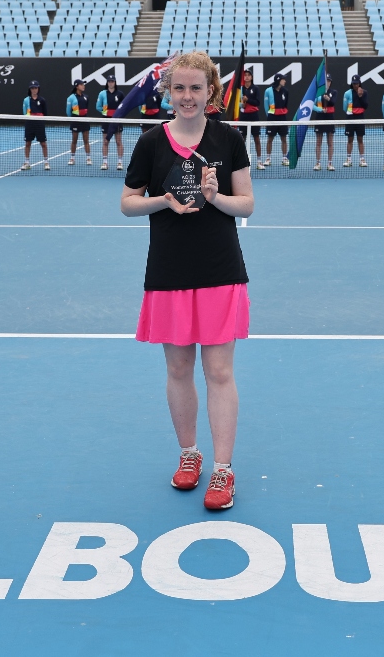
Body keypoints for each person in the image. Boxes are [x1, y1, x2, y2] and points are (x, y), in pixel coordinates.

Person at [120, 51, 255, 511]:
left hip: (219, 269)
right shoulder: (151, 143)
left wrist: (217, 199)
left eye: (196, 87)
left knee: (219, 371)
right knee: (178, 369)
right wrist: (164, 201)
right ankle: (189, 455)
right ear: (167, 92)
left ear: (211, 91)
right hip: (169, 270)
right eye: (179, 88)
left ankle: (223, 470)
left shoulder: (229, 139)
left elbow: (248, 205)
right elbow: (127, 203)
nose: (187, 96)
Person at [96, 77, 126, 171]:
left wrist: (119, 115)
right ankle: (105, 163)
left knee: (118, 141)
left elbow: (124, 106)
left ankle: (120, 162)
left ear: (115, 83)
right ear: (107, 83)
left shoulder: (120, 94)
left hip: (117, 121)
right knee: (105, 141)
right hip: (106, 120)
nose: (111, 83)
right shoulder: (102, 93)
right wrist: (105, 113)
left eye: (112, 81)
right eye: (109, 81)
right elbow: (98, 106)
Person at [237, 69, 264, 169]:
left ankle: (259, 161)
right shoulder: (240, 89)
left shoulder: (255, 89)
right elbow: (238, 104)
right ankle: (240, 162)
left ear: (251, 77)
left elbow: (257, 102)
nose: (247, 77)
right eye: (245, 75)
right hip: (244, 116)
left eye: (249, 75)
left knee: (257, 138)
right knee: (241, 139)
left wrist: (248, 100)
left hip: (254, 116)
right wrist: (242, 104)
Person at [21, 80, 50, 171]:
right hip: (29, 124)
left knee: (43, 144)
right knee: (28, 143)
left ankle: (46, 162)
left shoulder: (42, 100)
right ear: (30, 89)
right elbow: (24, 112)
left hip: (39, 124)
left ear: (38, 89)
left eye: (36, 88)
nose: (34, 90)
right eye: (32, 88)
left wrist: (40, 119)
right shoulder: (26, 100)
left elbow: (45, 113)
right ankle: (27, 162)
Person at [263, 73, 289, 167]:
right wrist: (269, 116)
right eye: (283, 79)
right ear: (278, 80)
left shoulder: (285, 91)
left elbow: (285, 104)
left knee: (284, 139)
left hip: (282, 118)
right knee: (270, 139)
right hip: (272, 118)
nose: (285, 81)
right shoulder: (268, 91)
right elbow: (266, 106)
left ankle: (284, 158)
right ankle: (268, 158)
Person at [343, 74, 369, 167]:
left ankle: (362, 159)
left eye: (357, 83)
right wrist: (350, 113)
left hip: (360, 117)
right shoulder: (347, 93)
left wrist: (360, 96)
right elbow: (344, 107)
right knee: (350, 139)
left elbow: (365, 105)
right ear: (352, 83)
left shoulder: (364, 92)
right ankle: (349, 159)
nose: (355, 85)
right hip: (350, 118)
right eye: (354, 83)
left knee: (360, 139)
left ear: (359, 83)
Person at [66, 79, 92, 166]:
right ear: (77, 86)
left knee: (86, 140)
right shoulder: (71, 98)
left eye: (83, 84)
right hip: (75, 120)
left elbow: (86, 108)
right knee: (74, 140)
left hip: (84, 120)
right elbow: (68, 111)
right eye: (81, 84)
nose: (83, 86)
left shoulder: (86, 97)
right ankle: (72, 158)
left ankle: (88, 158)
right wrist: (73, 119)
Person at [313, 78, 336, 171]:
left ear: (331, 82)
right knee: (319, 142)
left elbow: (333, 102)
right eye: (326, 81)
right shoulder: (317, 93)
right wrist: (320, 110)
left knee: (330, 142)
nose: (327, 82)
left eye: (329, 81)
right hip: (319, 118)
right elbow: (312, 105)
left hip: (330, 118)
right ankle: (318, 163)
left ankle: (330, 163)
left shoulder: (334, 92)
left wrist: (328, 99)